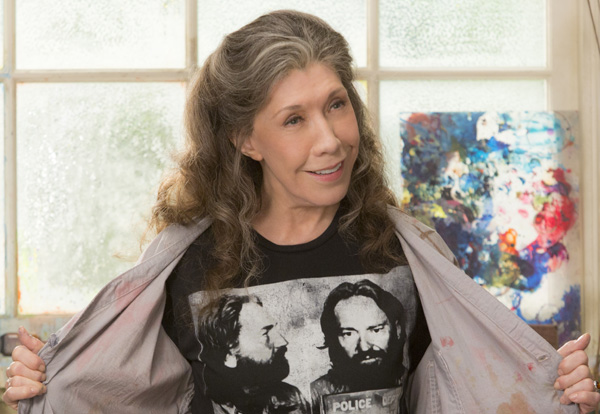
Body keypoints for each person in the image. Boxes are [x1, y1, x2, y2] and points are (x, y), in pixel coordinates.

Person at [3, 9, 600, 414]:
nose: (331, 140)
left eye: (336, 105)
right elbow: (116, 392)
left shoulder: (408, 254)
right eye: (294, 119)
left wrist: (554, 390)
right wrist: (48, 383)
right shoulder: (185, 264)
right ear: (245, 139)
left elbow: (462, 392)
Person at [196, 294, 309, 414]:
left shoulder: (290, 399)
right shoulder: (205, 407)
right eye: (265, 333)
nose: (283, 342)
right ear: (230, 352)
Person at [310, 279, 409, 412]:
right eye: (348, 334)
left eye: (376, 330)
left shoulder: (414, 381)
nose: (364, 347)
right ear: (332, 339)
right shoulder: (316, 393)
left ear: (397, 330)